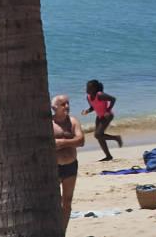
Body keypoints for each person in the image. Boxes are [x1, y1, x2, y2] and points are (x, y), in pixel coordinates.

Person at [53, 95, 86, 227]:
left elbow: (81, 141)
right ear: (54, 108)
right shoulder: (49, 123)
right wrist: (71, 142)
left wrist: (62, 142)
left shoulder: (73, 121)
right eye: (63, 104)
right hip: (54, 168)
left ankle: (63, 232)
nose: (67, 106)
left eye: (67, 103)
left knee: (67, 202)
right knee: (53, 201)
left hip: (71, 166)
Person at [84, 80, 122, 161]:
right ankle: (108, 156)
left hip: (107, 116)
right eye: (86, 87)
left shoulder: (100, 95)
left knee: (97, 135)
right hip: (99, 116)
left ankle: (116, 138)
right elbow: (93, 107)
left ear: (94, 89)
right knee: (100, 137)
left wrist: (108, 110)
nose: (86, 89)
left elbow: (113, 99)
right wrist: (87, 111)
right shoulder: (88, 97)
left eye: (88, 87)